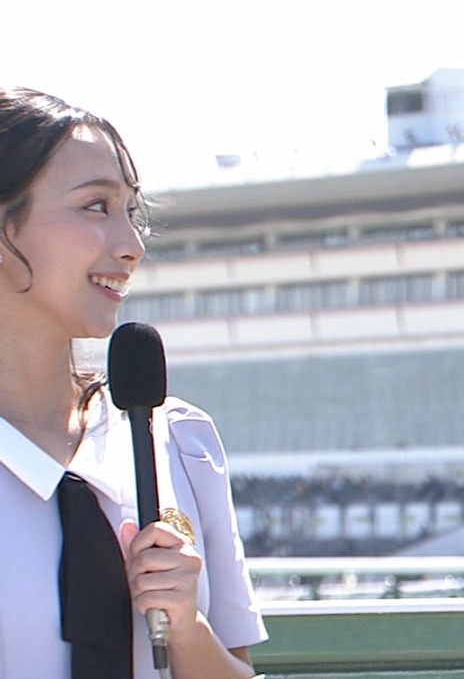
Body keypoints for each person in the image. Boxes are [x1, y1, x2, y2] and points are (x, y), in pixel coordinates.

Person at [0, 87, 266, 678]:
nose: (133, 246)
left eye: (131, 212)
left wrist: (187, 627)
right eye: (96, 206)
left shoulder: (179, 438)